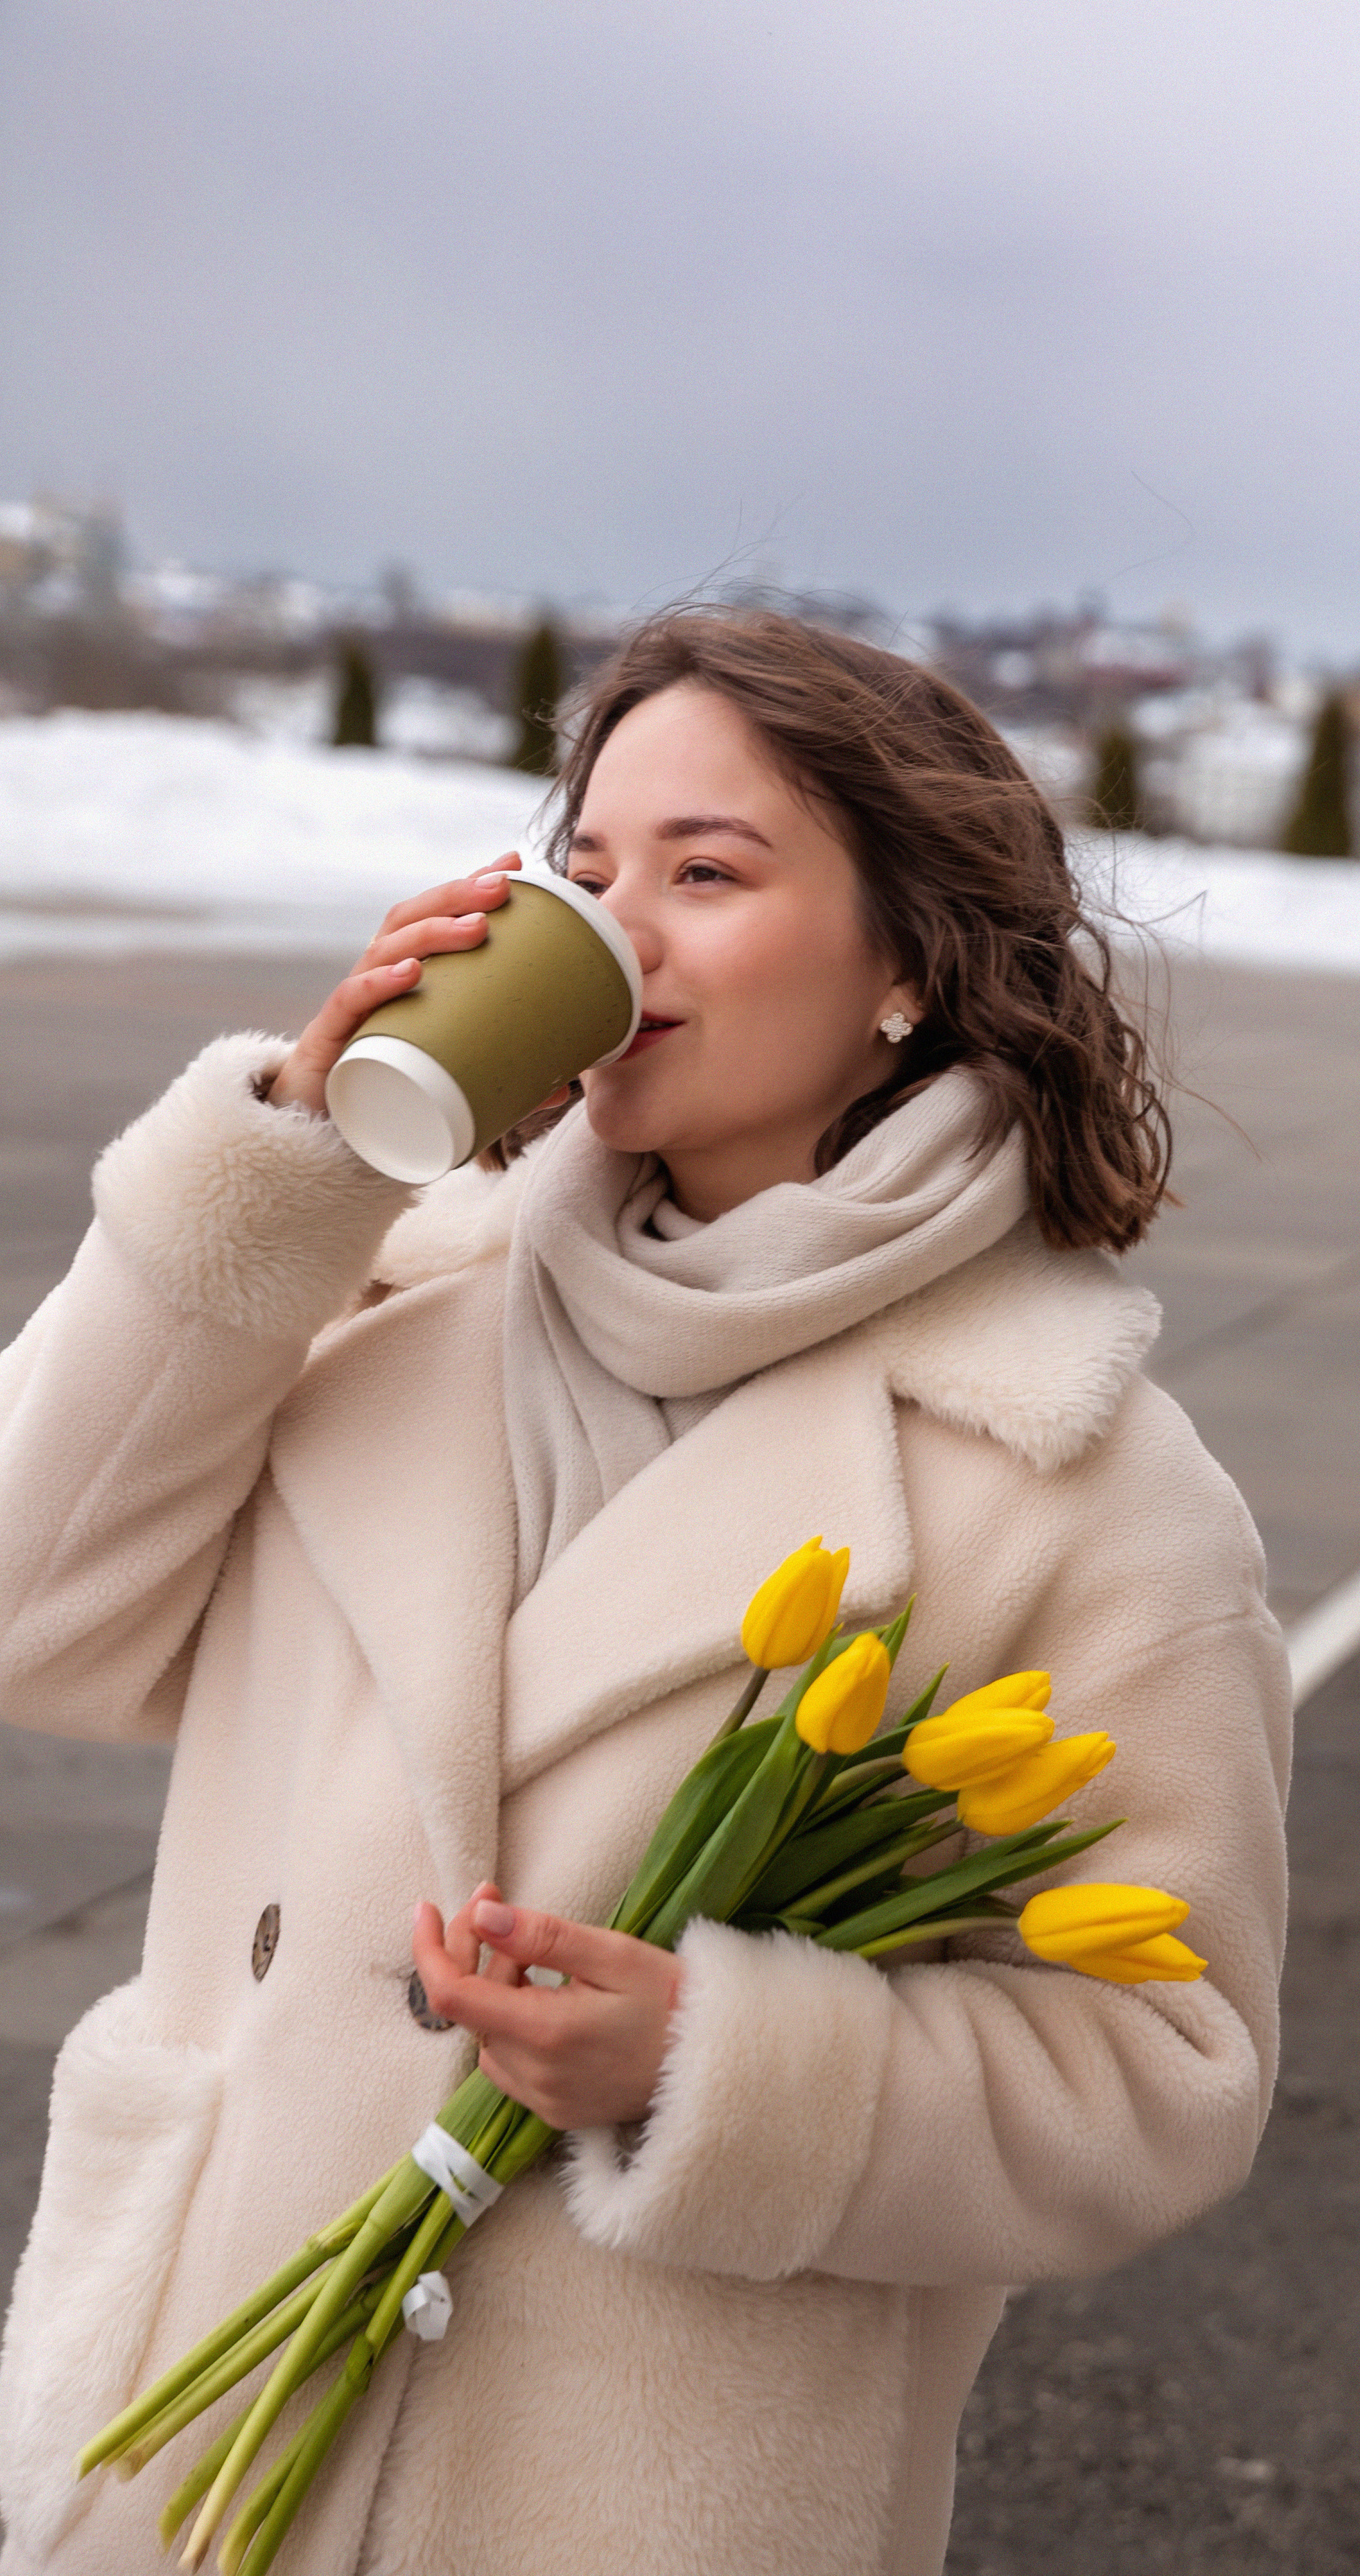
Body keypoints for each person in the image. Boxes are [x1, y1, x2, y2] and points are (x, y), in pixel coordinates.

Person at [0, 612, 1290, 2576]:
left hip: (634, 2497)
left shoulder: (1078, 1478)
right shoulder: (379, 1289)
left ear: (911, 968)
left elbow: (1163, 2077)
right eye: (586, 872)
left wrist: (720, 2067)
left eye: (709, 873)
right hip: (179, 2444)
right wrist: (280, 1165)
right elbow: (37, 1616)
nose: (621, 932)